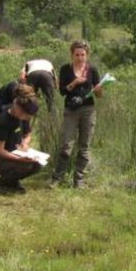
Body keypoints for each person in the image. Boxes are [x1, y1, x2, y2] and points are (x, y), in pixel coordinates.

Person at [51, 40, 101, 189]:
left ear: (87, 55)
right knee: (66, 145)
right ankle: (57, 178)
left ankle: (79, 180)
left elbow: (98, 94)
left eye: (83, 55)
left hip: (88, 110)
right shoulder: (66, 69)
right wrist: (74, 83)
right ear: (72, 55)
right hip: (71, 110)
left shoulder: (92, 70)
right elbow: (61, 91)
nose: (80, 58)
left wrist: (99, 90)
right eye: (77, 55)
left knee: (84, 147)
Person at [0, 84, 43, 194]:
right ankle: (0, 184)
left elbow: (28, 134)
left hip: (12, 154)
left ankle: (11, 182)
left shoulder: (23, 117)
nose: (28, 119)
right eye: (27, 116)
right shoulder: (3, 121)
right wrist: (20, 159)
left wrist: (25, 144)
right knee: (26, 164)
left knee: (38, 164)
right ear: (18, 108)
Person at [0, 58, 56, 122]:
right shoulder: (48, 63)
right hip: (47, 76)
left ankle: (24, 118)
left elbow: (22, 77)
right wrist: (52, 88)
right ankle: (53, 119)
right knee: (50, 101)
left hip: (33, 74)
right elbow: (55, 78)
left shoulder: (28, 63)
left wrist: (22, 86)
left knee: (26, 98)